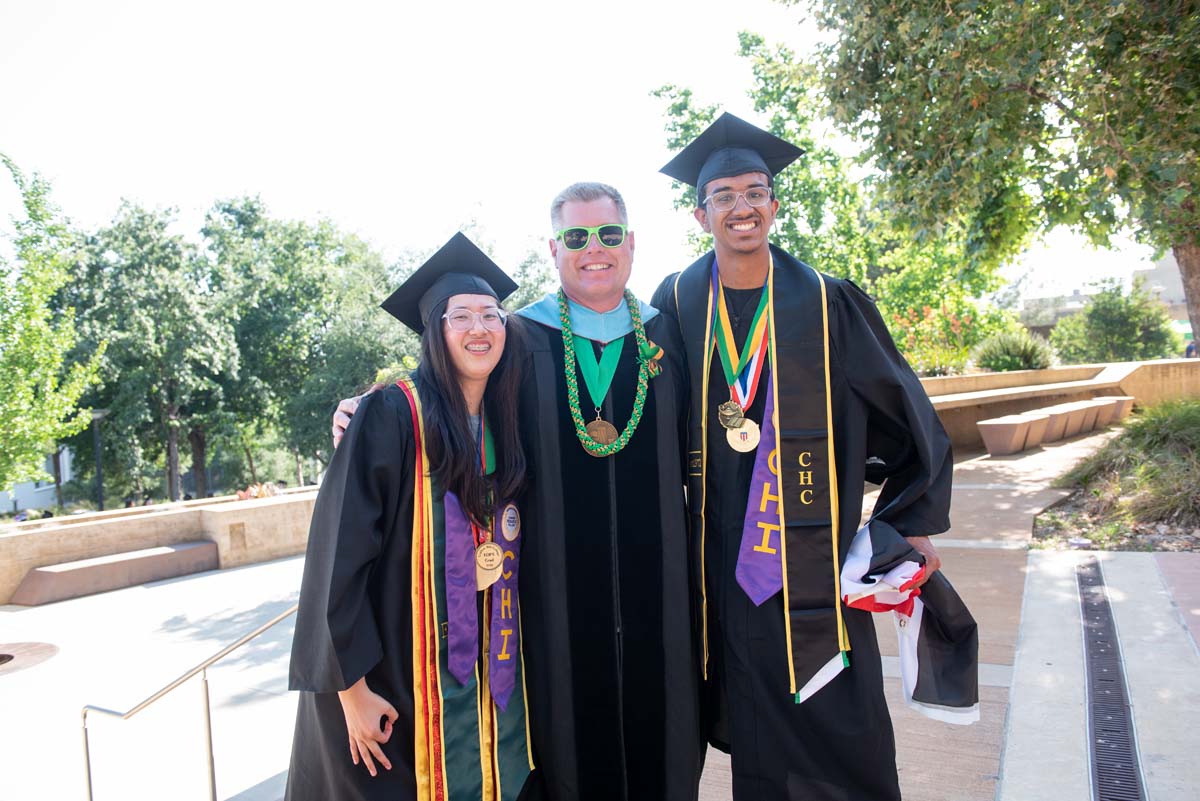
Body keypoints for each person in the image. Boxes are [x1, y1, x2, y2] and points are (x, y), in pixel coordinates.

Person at [331, 184, 703, 801]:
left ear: (631, 243)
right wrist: (363, 406)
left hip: (658, 598)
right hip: (547, 605)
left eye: (609, 235)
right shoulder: (522, 337)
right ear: (554, 248)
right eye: (578, 237)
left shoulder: (671, 335)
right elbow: (451, 380)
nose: (595, 250)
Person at [651, 113, 965, 800]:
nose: (742, 206)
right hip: (714, 559)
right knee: (748, 712)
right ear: (699, 213)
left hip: (810, 552)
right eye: (724, 194)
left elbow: (906, 411)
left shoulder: (826, 300)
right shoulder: (675, 300)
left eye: (755, 191)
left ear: (775, 203)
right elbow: (637, 402)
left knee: (836, 719)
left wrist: (910, 521)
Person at [287, 233, 534, 801]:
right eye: (460, 316)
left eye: (491, 315)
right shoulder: (391, 414)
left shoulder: (507, 420)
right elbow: (335, 560)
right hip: (396, 676)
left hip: (483, 678)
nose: (479, 328)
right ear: (433, 333)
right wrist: (351, 691)